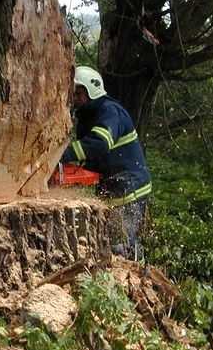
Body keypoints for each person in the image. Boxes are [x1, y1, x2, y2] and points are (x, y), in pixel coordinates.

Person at [61, 66, 152, 260]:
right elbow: (90, 158)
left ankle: (132, 279)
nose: (74, 98)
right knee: (107, 242)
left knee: (121, 245)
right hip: (112, 186)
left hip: (130, 189)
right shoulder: (87, 116)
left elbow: (99, 144)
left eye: (78, 93)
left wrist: (63, 154)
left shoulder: (110, 112)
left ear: (91, 91)